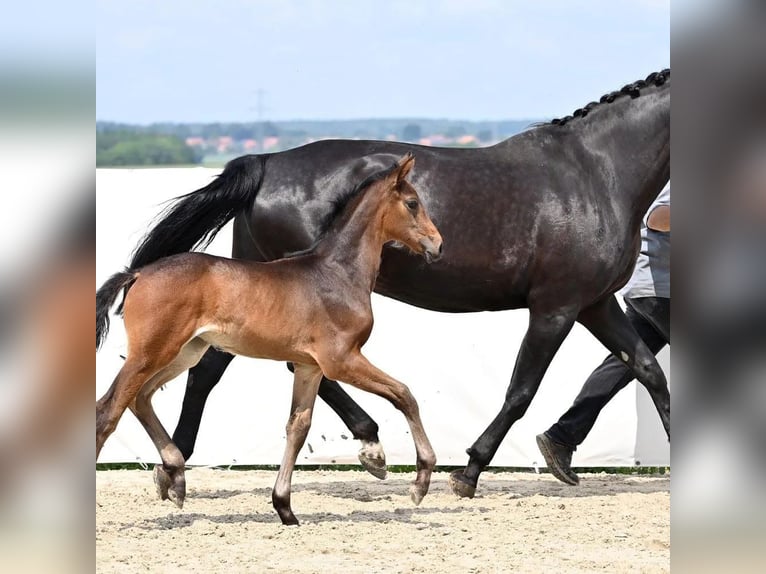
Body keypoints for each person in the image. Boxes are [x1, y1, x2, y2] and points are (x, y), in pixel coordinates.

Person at [536, 184, 670, 485]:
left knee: (621, 366)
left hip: (652, 288)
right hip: (663, 290)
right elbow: (657, 217)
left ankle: (562, 436)